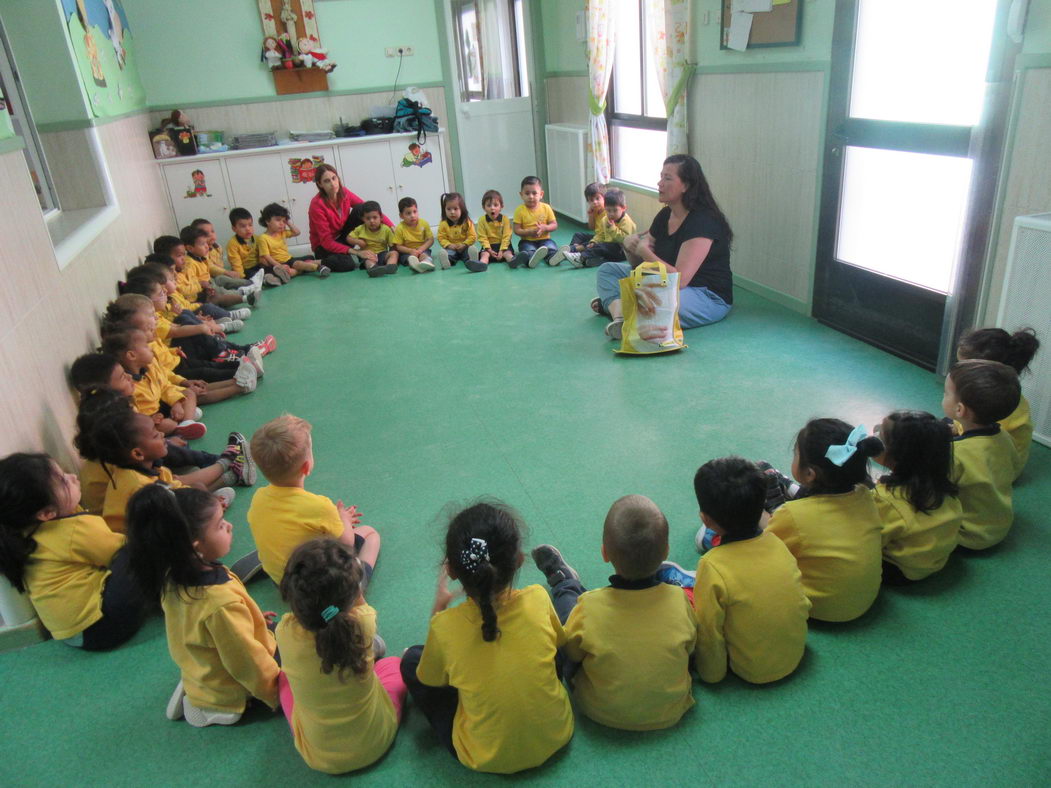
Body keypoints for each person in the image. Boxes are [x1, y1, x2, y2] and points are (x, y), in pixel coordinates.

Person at [400, 499, 573, 774]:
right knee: (554, 640)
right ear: (518, 560)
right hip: (558, 733)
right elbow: (560, 646)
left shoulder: (444, 626)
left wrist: (438, 610)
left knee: (411, 661)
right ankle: (566, 582)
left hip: (484, 756)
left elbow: (430, 680)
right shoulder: (538, 598)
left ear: (452, 571)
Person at [530, 494, 697, 731]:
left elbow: (573, 654)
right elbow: (690, 649)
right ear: (665, 552)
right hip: (672, 710)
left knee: (571, 616)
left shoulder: (589, 607)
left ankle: (563, 582)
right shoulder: (679, 599)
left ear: (604, 553)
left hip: (599, 710)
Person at [125, 484, 280, 727]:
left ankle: (200, 690)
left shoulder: (172, 576)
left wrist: (251, 617)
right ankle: (215, 705)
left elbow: (197, 626)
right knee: (309, 659)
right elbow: (247, 663)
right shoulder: (218, 604)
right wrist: (277, 693)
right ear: (195, 545)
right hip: (233, 687)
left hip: (202, 666)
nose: (229, 526)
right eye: (220, 525)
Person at [276, 538, 406, 774]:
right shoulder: (364, 622)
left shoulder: (284, 633)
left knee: (284, 681)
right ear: (355, 592)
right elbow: (362, 608)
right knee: (392, 664)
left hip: (319, 757)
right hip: (378, 739)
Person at [0, 453, 146, 650]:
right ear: (46, 513)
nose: (73, 477)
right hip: (104, 627)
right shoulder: (71, 530)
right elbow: (120, 551)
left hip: (73, 636)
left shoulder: (25, 532)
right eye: (63, 481)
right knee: (136, 548)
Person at [691, 457, 810, 682]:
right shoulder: (777, 543)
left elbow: (709, 633)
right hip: (796, 652)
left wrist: (711, 674)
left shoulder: (711, 565)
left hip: (752, 669)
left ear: (706, 519)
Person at [595, 154, 734, 341]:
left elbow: (680, 279)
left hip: (705, 294)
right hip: (664, 282)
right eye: (661, 177)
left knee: (652, 301)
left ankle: (614, 305)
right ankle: (619, 318)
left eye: (667, 178)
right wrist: (630, 247)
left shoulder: (703, 222)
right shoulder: (665, 215)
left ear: (686, 186)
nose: (660, 183)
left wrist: (644, 250)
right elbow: (639, 266)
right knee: (608, 271)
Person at [765, 419, 885, 622]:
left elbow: (767, 548)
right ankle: (788, 486)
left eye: (796, 454)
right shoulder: (865, 494)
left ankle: (773, 499)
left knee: (753, 516)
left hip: (821, 607)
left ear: (810, 473)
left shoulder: (793, 514)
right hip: (862, 599)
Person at [247, 414, 380, 586]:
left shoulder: (258, 498)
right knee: (370, 533)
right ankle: (357, 583)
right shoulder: (318, 507)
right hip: (316, 587)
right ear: (307, 466)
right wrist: (344, 519)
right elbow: (347, 543)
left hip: (282, 582)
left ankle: (276, 554)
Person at [871, 411, 961, 583]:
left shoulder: (885, 499)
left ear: (897, 456)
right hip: (936, 558)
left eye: (880, 437)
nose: (874, 437)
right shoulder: (944, 486)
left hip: (902, 569)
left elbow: (870, 539)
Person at [942, 360, 1020, 550]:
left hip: (965, 535)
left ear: (959, 410)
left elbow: (932, 487)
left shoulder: (956, 453)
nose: (943, 396)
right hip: (998, 526)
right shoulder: (1004, 437)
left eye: (946, 393)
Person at [955, 327, 1039, 480]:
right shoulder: (996, 395)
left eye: (964, 367)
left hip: (1001, 468)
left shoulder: (997, 407)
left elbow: (983, 441)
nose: (957, 372)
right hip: (987, 442)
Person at [307, 163, 394, 273]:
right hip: (323, 246)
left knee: (360, 209)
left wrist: (391, 226)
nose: (333, 184)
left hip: (342, 237)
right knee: (348, 264)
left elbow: (367, 209)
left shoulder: (344, 192)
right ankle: (316, 262)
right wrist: (356, 252)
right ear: (320, 184)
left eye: (334, 178)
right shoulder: (317, 205)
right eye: (327, 181)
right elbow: (326, 242)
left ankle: (370, 250)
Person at [180, 225, 260, 307]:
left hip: (210, 281)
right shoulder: (189, 264)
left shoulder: (202, 256)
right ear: (190, 248)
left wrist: (224, 272)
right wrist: (203, 286)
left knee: (222, 278)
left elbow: (210, 269)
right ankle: (243, 292)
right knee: (221, 291)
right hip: (204, 289)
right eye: (202, 244)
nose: (206, 246)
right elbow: (191, 282)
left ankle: (251, 283)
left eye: (206, 243)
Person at [557, 188, 636, 268]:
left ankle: (580, 257)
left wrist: (612, 228)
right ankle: (577, 253)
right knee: (595, 245)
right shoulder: (606, 219)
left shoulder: (626, 221)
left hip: (622, 251)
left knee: (601, 246)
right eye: (608, 211)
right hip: (608, 245)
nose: (611, 214)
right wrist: (594, 241)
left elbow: (624, 239)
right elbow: (601, 234)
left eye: (615, 211)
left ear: (623, 208)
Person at [257, 203, 330, 280]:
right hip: (276, 263)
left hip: (288, 259)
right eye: (278, 220)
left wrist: (288, 222)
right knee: (291, 270)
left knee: (299, 263)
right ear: (267, 221)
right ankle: (296, 272)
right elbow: (267, 257)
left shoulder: (282, 233)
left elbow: (297, 232)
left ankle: (319, 268)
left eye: (283, 221)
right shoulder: (263, 238)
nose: (282, 223)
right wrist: (280, 266)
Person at [510, 176, 558, 269]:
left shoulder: (546, 208)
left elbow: (554, 225)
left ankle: (552, 258)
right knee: (527, 250)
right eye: (527, 193)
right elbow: (516, 230)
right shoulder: (519, 210)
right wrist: (529, 232)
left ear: (541, 194)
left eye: (534, 193)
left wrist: (545, 228)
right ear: (521, 195)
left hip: (545, 239)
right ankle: (531, 259)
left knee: (551, 247)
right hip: (527, 241)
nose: (531, 196)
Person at [227, 207, 281, 286]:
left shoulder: (257, 238)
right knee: (253, 276)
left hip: (259, 266)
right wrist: (241, 279)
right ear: (234, 228)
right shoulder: (232, 244)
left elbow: (263, 255)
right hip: (246, 269)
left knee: (271, 269)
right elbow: (236, 264)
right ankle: (265, 280)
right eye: (243, 226)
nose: (248, 229)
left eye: (250, 225)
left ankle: (273, 277)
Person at [347, 201, 399, 277]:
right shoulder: (360, 229)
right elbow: (348, 238)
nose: (372, 221)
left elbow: (392, 245)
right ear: (363, 219)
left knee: (395, 253)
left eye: (375, 217)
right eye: (368, 218)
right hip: (368, 254)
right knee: (368, 261)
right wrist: (357, 241)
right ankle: (373, 269)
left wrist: (392, 254)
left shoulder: (386, 229)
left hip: (382, 254)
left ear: (381, 218)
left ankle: (390, 266)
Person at [392, 196, 435, 273]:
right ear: (401, 216)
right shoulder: (400, 228)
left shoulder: (424, 223)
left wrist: (421, 249)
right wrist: (410, 251)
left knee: (424, 255)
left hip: (422, 249)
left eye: (415, 212)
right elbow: (398, 246)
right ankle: (414, 265)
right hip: (407, 252)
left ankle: (427, 263)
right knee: (409, 258)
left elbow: (430, 239)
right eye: (408, 213)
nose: (412, 215)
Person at [435, 192, 478, 269]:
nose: (452, 212)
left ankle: (472, 260)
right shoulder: (443, 223)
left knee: (468, 253)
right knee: (448, 254)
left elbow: (473, 236)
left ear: (462, 209)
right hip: (451, 248)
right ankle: (446, 262)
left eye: (455, 209)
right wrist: (449, 245)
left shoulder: (467, 222)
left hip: (465, 247)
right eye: (448, 209)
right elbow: (441, 237)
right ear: (444, 210)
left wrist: (465, 244)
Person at [474, 189, 513, 269]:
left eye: (495, 205)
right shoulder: (481, 220)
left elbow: (507, 236)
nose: (492, 208)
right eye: (489, 205)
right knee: (484, 255)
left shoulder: (505, 219)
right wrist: (489, 250)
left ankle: (513, 261)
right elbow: (482, 237)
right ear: (483, 207)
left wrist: (502, 250)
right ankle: (482, 265)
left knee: (508, 254)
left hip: (503, 246)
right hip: (489, 247)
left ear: (501, 207)